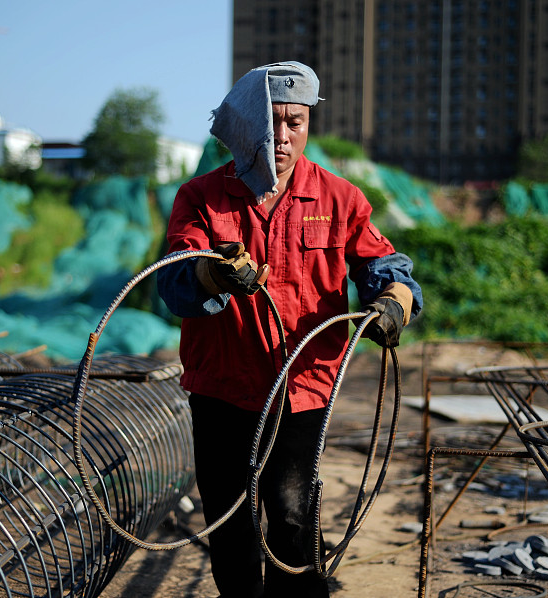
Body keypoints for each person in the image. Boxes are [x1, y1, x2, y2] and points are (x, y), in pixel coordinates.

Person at [157, 61, 422, 598]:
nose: (281, 136)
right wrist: (213, 273)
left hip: (302, 390)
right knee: (230, 521)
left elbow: (384, 266)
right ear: (244, 127)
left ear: (307, 125)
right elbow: (175, 282)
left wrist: (393, 303)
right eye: (270, 123)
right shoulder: (201, 197)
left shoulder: (339, 198)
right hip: (221, 389)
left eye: (294, 123)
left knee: (293, 515)